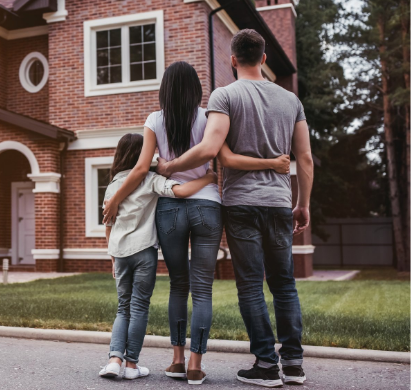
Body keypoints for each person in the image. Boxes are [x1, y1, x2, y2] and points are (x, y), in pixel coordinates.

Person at [102, 61, 290, 386]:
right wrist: (212, 175)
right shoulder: (209, 117)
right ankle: (194, 365)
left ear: (164, 89)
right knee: (202, 289)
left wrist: (117, 198)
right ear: (197, 90)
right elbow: (223, 155)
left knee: (178, 285)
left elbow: (140, 169)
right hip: (207, 205)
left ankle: (175, 360)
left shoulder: (154, 120)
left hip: (170, 209)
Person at [155, 30, 314, 387]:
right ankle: (293, 364)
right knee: (284, 284)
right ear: (264, 58)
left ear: (232, 60)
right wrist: (302, 203)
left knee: (251, 287)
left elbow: (211, 149)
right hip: (278, 203)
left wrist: (170, 166)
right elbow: (304, 157)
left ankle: (265, 365)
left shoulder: (225, 96)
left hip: (241, 204)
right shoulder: (291, 101)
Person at [99, 132, 219, 381]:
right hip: (144, 253)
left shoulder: (112, 186)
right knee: (139, 306)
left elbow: (108, 225)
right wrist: (208, 177)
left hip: (120, 254)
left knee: (123, 308)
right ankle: (132, 365)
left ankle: (113, 360)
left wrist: (112, 258)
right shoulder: (151, 180)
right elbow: (183, 191)